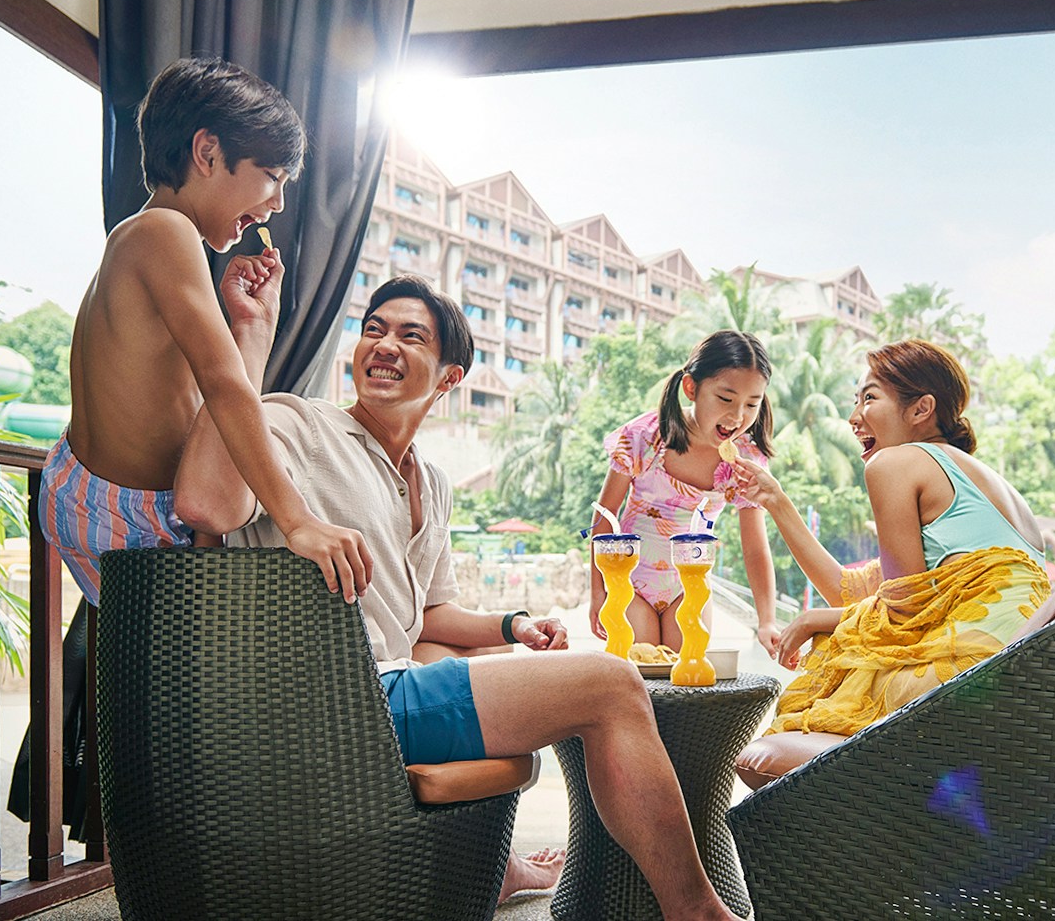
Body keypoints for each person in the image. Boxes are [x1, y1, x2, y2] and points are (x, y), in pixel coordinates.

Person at [174, 274, 746, 921]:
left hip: (382, 691)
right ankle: (697, 911)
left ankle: (494, 868)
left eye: (410, 335)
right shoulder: (294, 423)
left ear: (449, 377)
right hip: (329, 706)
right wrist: (248, 340)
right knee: (611, 683)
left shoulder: (431, 481)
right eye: (373, 330)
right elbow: (204, 503)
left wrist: (513, 625)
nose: (383, 345)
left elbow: (427, 616)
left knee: (458, 649)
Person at [40, 55, 370, 607]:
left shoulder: (146, 237)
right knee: (226, 672)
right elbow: (223, 387)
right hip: (131, 513)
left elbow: (199, 406)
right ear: (208, 153)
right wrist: (298, 522)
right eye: (271, 177)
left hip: (106, 494)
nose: (277, 205)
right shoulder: (165, 231)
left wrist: (253, 324)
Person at [734, 339, 1050, 737]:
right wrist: (776, 501)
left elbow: (904, 609)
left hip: (967, 671)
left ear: (921, 408)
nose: (853, 416)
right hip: (1027, 673)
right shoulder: (983, 480)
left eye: (869, 397)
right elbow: (852, 594)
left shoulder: (896, 461)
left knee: (806, 707)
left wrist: (817, 620)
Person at [589, 330, 780, 653]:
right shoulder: (644, 438)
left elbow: (755, 547)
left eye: (752, 404)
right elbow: (604, 519)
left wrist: (767, 620)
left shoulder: (745, 461)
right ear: (691, 388)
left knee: (687, 680)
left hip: (689, 587)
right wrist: (598, 594)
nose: (737, 416)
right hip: (628, 582)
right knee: (640, 677)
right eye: (725, 399)